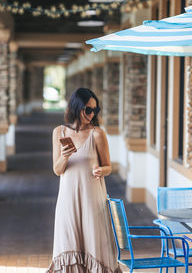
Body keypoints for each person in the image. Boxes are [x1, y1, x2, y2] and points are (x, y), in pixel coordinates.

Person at [46, 87, 122, 273]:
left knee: (95, 243)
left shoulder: (97, 134)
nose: (91, 114)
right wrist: (64, 156)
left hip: (92, 199)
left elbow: (108, 167)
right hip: (67, 200)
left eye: (95, 110)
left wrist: (100, 170)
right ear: (76, 107)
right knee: (68, 242)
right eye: (88, 109)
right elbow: (57, 170)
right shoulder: (59, 132)